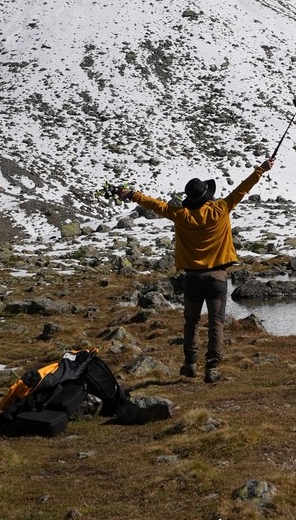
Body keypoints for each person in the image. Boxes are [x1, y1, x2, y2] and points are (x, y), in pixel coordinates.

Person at [114, 159, 275, 382]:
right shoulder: (221, 208)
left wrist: (130, 194)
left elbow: (155, 204)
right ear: (208, 196)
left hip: (192, 279)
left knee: (191, 322)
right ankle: (212, 368)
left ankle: (190, 364)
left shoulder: (181, 215)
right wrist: (262, 169)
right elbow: (243, 188)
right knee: (216, 322)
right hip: (217, 277)